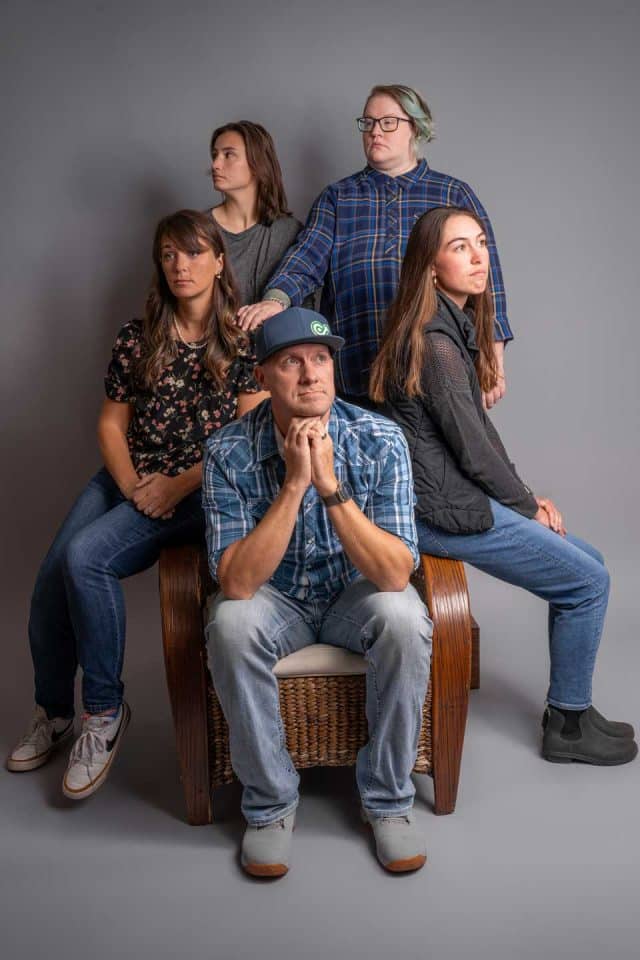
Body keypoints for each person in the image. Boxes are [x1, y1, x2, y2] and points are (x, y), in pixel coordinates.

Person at [7, 210, 267, 798]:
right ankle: (54, 713)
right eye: (169, 255)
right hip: (131, 476)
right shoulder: (137, 336)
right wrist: (132, 488)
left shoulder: (245, 340)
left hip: (203, 487)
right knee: (52, 580)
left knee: (86, 558)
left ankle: (103, 712)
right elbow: (109, 424)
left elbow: (248, 440)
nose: (181, 265)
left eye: (194, 253)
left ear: (220, 261)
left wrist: (174, 487)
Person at [370, 206, 637, 765]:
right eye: (459, 247)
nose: (477, 256)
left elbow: (478, 437)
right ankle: (566, 727)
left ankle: (573, 708)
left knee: (586, 560)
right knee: (587, 581)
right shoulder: (435, 345)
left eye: (480, 243)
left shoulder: (448, 328)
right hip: (441, 515)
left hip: (454, 499)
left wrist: (525, 497)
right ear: (431, 266)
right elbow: (473, 450)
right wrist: (526, 506)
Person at [203, 307, 432, 877]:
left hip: (353, 596)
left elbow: (394, 574)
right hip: (277, 604)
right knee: (230, 622)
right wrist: (294, 485)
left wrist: (329, 489)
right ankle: (270, 805)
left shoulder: (380, 439)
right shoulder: (226, 452)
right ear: (262, 378)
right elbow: (235, 582)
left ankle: (388, 800)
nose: (310, 374)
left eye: (321, 359)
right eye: (290, 362)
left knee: (405, 616)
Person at [236, 84, 510, 409]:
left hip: (436, 374)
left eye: (388, 122)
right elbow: (306, 258)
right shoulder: (338, 198)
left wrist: (493, 363)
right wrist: (276, 300)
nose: (375, 132)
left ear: (415, 128)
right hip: (357, 379)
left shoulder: (453, 194)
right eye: (368, 123)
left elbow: (487, 284)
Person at [208, 120, 306, 306]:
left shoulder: (289, 232)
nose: (215, 165)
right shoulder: (199, 230)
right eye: (215, 155)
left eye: (228, 154)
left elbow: (301, 303)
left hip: (275, 335)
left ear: (257, 163)